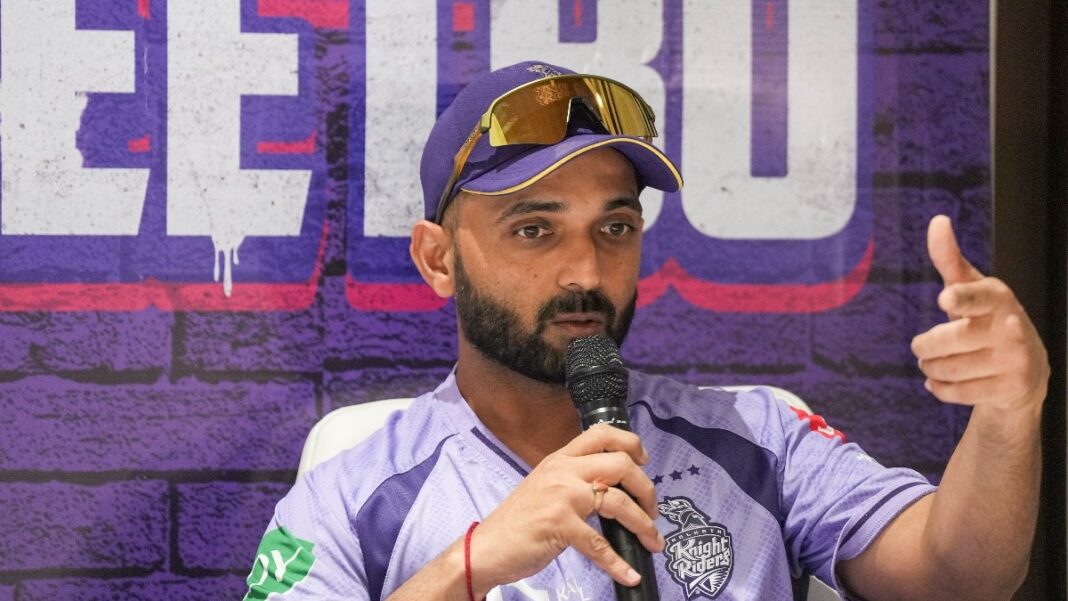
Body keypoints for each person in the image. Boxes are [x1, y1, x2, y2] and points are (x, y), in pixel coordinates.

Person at [245, 61, 1049, 601]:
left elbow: (961, 577)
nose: (586, 271)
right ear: (438, 258)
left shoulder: (759, 439)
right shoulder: (347, 493)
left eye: (616, 227)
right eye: (535, 229)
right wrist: (470, 562)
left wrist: (1009, 415)